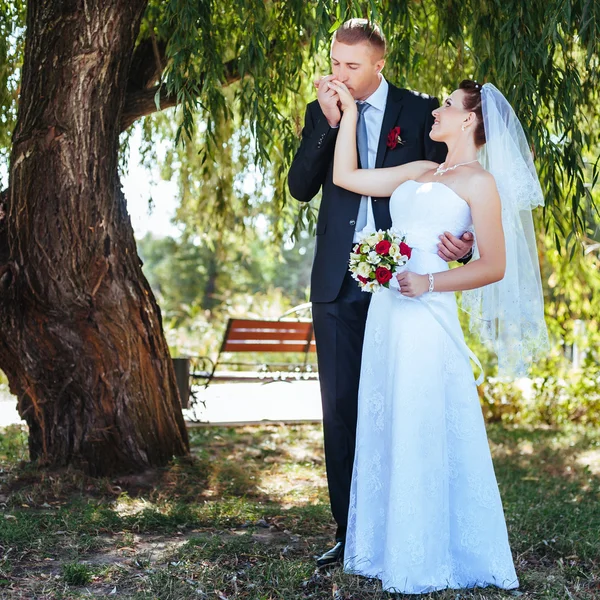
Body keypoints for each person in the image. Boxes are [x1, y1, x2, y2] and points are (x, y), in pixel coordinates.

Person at [328, 76, 549, 593]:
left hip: (426, 312)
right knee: (388, 414)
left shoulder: (479, 184)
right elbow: (345, 176)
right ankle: (386, 546)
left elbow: (493, 265)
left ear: (469, 119)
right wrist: (350, 117)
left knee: (422, 415)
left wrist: (430, 281)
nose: (436, 111)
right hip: (388, 313)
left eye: (446, 105)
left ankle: (427, 552)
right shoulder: (421, 168)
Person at [287, 18, 474, 567]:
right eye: (334, 62)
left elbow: (455, 186)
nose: (337, 74)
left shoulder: (421, 114)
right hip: (337, 282)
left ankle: (406, 525)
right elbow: (301, 188)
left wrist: (464, 240)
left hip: (405, 283)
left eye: (351, 66)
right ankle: (351, 535)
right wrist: (325, 124)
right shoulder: (319, 109)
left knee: (402, 404)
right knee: (342, 409)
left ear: (378, 65)